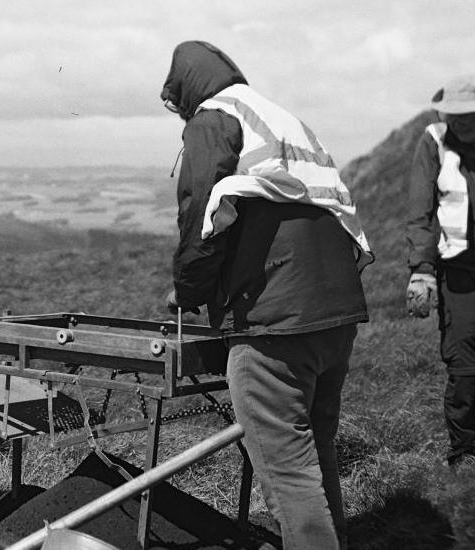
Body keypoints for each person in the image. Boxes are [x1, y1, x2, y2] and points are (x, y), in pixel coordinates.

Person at [159, 41, 371, 550]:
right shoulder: (281, 119)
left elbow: (200, 213)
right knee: (314, 455)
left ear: (186, 89)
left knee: (289, 475)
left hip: (275, 318)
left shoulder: (214, 118)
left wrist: (188, 291)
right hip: (335, 310)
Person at [406, 76, 475, 467]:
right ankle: (464, 454)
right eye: (456, 116)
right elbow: (420, 210)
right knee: (465, 365)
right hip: (458, 270)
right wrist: (422, 271)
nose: (462, 123)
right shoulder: (433, 141)